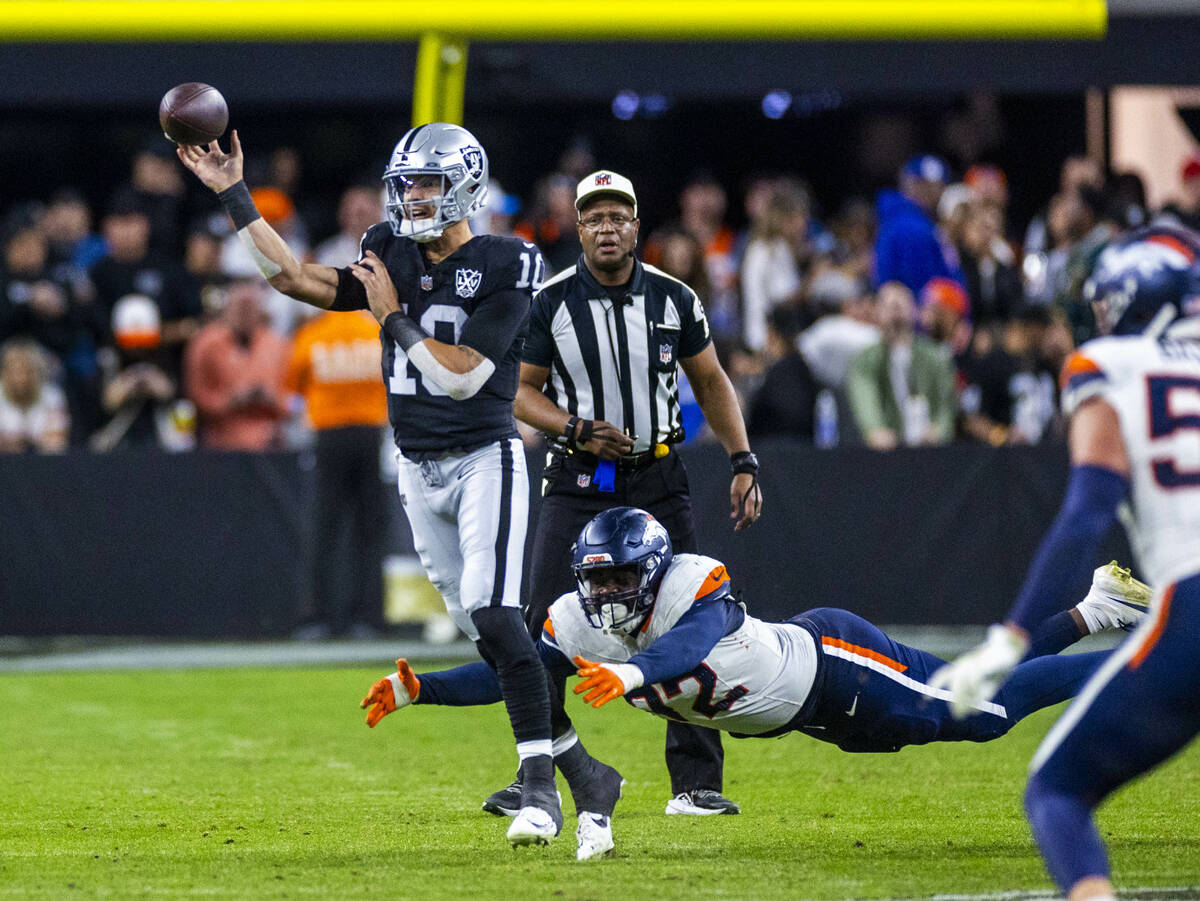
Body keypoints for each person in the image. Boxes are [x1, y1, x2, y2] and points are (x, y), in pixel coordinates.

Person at [176, 121, 608, 849]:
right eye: (404, 183)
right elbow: (296, 278)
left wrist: (395, 319)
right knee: (488, 637)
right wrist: (234, 193)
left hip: (483, 456)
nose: (410, 197)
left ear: (465, 184)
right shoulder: (388, 246)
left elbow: (467, 375)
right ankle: (587, 771)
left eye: (426, 183)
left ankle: (541, 787)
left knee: (498, 617)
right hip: (416, 463)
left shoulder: (509, 258)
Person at [363, 507, 1149, 858]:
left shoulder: (691, 585)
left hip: (834, 665)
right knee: (972, 686)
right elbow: (522, 679)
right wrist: (422, 689)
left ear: (654, 568)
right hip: (811, 711)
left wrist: (633, 670)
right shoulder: (582, 619)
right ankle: (1094, 608)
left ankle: (1133, 663)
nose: (603, 599)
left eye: (619, 580)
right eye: (594, 584)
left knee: (985, 714)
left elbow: (695, 643)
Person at [483, 168, 763, 820]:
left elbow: (713, 381)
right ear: (578, 228)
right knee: (538, 628)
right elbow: (522, 392)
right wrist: (574, 426)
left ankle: (695, 782)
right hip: (579, 476)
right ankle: (536, 774)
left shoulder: (674, 298)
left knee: (696, 616)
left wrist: (743, 459)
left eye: (618, 217)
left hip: (657, 474)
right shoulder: (551, 300)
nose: (607, 228)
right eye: (594, 218)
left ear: (636, 226)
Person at [929, 225, 1200, 901]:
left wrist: (1012, 635)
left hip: (1193, 607)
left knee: (1057, 789)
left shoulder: (1108, 365)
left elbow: (1086, 515)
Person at [285, 306, 389, 639]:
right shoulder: (374, 333)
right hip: (371, 434)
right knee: (369, 532)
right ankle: (366, 618)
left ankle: (314, 618)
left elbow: (294, 386)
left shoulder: (313, 335)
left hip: (327, 435)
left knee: (321, 530)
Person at [846, 281, 957, 450]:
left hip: (930, 451)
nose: (896, 308)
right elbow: (865, 398)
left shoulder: (935, 357)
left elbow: (946, 405)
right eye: (889, 304)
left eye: (902, 302)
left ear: (915, 310)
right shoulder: (866, 359)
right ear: (877, 312)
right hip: (888, 453)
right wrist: (874, 430)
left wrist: (939, 431)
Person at [184, 278, 290, 451]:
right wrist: (232, 400)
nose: (244, 313)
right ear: (227, 309)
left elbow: (295, 400)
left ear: (260, 311)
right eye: (240, 307)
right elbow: (195, 396)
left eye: (250, 307)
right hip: (222, 443)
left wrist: (273, 399)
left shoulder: (277, 345)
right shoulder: (205, 343)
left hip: (270, 443)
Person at [873, 154, 964, 298]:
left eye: (937, 186)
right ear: (909, 183)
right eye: (923, 184)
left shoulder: (919, 221)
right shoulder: (911, 226)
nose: (934, 192)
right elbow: (921, 285)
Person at [0, 337, 69, 453]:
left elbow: (58, 439)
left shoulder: (52, 395)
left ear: (36, 373)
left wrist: (25, 441)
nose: (20, 379)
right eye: (14, 372)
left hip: (40, 463)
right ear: (4, 373)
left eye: (26, 372)